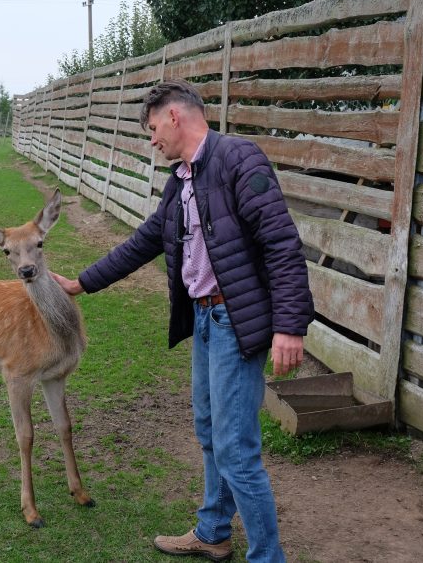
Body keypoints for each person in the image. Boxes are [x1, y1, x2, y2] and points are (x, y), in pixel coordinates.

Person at [53, 79, 314, 562]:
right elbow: (145, 240)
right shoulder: (181, 182)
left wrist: (290, 326)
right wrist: (83, 283)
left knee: (237, 449)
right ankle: (213, 531)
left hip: (238, 323)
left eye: (153, 128)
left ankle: (267, 557)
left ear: (175, 116)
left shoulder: (239, 159)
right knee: (210, 432)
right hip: (206, 322)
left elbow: (281, 244)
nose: (151, 140)